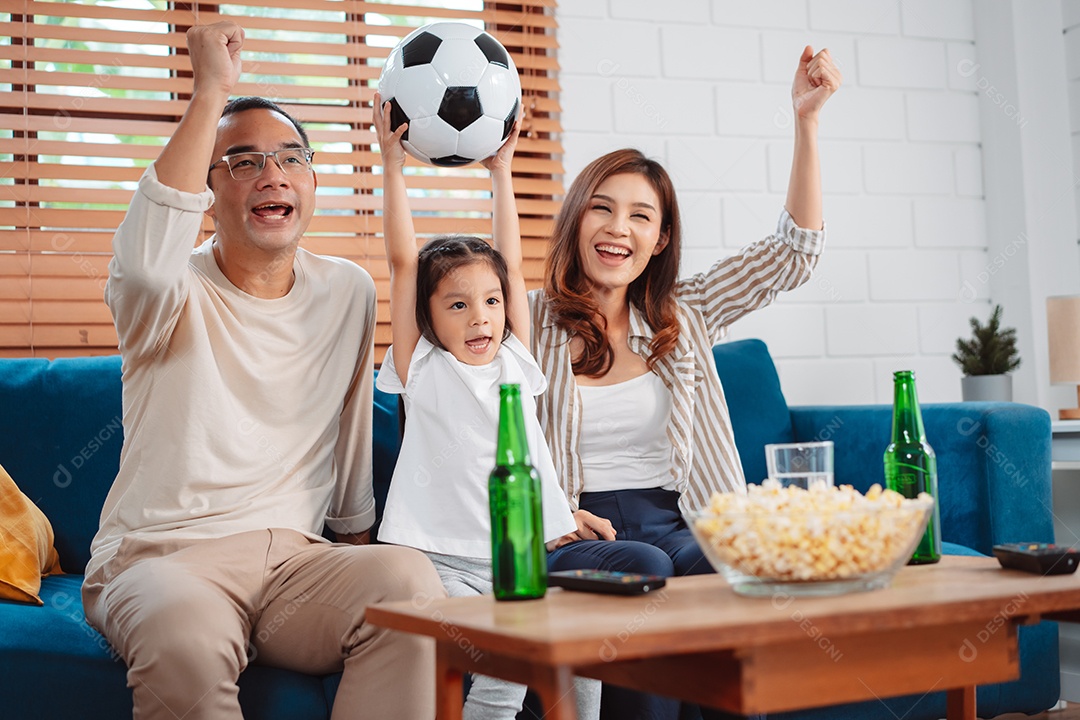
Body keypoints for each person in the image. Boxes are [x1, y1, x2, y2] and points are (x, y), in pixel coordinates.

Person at [81, 22, 445, 720]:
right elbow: (148, 253)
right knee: (186, 635)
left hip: (293, 566)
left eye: (290, 159)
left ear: (312, 181)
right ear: (207, 193)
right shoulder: (165, 291)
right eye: (242, 162)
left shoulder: (347, 290)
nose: (272, 174)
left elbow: (348, 428)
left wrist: (354, 536)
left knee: (406, 581)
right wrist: (211, 88)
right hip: (163, 559)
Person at [536, 47, 842, 720]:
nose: (619, 228)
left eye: (640, 216)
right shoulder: (529, 319)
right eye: (602, 209)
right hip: (575, 528)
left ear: (660, 237)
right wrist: (549, 516)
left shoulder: (686, 311)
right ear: (575, 220)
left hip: (678, 516)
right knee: (647, 567)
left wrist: (806, 122)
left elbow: (794, 255)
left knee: (736, 562)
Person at [372, 95, 600, 720]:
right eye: (457, 305)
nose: (481, 317)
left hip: (522, 549)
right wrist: (391, 167)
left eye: (492, 302)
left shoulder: (516, 361)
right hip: (441, 558)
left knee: (577, 661)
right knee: (501, 676)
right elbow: (400, 262)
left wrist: (502, 173)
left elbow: (514, 261)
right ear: (429, 317)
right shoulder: (422, 368)